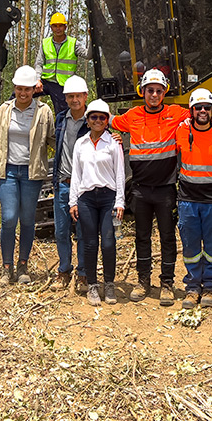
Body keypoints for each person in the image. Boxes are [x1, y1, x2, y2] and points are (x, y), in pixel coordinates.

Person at [110, 68, 188, 306]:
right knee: (142, 237)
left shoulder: (176, 113)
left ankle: (167, 283)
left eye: (158, 91)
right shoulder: (131, 116)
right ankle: (143, 281)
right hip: (141, 190)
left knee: (167, 237)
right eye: (149, 90)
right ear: (142, 92)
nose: (154, 95)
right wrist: (110, 135)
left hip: (165, 189)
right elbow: (103, 119)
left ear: (164, 92)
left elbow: (207, 114)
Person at [0, 65, 56, 285]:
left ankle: (23, 266)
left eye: (27, 89)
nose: (23, 93)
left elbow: (53, 139)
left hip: (31, 172)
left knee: (27, 220)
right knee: (8, 219)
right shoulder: (5, 110)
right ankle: (7, 269)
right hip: (7, 171)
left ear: (34, 89)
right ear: (14, 88)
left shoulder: (44, 111)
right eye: (19, 89)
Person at [175, 89, 212, 309]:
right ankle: (192, 287)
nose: (203, 111)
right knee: (190, 245)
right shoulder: (181, 131)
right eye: (198, 108)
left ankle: (210, 286)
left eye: (207, 107)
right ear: (192, 111)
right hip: (188, 198)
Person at [69, 99, 125, 306]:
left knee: (109, 242)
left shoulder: (113, 143)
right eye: (94, 117)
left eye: (102, 117)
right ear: (88, 120)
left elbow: (120, 173)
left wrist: (120, 202)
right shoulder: (80, 144)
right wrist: (72, 201)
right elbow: (77, 174)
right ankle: (92, 285)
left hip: (108, 197)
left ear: (108, 120)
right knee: (90, 242)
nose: (98, 120)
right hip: (86, 199)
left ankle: (109, 284)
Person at [51, 75, 90, 293]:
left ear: (85, 96)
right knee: (61, 231)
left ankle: (83, 274)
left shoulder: (93, 120)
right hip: (63, 183)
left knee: (83, 231)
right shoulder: (60, 120)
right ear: (65, 98)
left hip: (84, 186)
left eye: (78, 96)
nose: (75, 100)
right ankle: (64, 270)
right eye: (71, 96)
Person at [34, 12, 91, 115]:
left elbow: (88, 55)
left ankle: (60, 130)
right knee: (21, 93)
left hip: (62, 85)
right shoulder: (45, 43)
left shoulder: (73, 43)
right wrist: (37, 80)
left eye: (60, 25)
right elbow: (39, 63)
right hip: (45, 81)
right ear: (51, 27)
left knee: (62, 113)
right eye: (55, 26)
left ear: (65, 27)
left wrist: (92, 38)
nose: (58, 28)